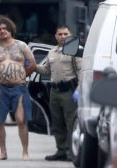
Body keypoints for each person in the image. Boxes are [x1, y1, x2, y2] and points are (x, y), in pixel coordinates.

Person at [0, 16, 36, 161]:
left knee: (21, 120)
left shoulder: (22, 46)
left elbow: (32, 63)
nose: (2, 31)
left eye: (5, 28)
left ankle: (25, 152)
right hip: (1, 88)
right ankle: (3, 152)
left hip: (19, 88)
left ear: (11, 29)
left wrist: (22, 74)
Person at [36, 25, 82, 161]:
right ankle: (61, 150)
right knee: (57, 122)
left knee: (70, 122)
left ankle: (71, 151)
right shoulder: (52, 52)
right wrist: (33, 66)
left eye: (65, 34)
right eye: (60, 34)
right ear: (55, 36)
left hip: (69, 91)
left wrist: (79, 89)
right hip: (54, 91)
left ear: (70, 35)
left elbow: (81, 71)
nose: (62, 37)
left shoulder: (75, 49)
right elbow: (46, 70)